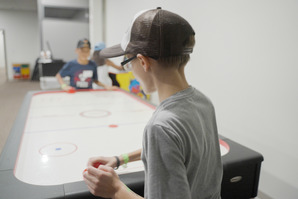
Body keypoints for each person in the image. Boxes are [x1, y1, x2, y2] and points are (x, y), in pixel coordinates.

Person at [83, 8, 223, 199]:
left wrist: (116, 190)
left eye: (128, 61)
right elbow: (179, 147)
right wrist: (120, 159)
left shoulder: (160, 127)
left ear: (143, 61)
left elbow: (166, 138)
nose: (130, 69)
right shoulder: (203, 102)